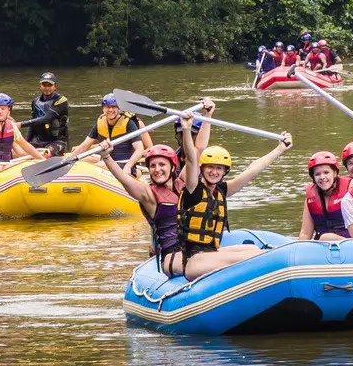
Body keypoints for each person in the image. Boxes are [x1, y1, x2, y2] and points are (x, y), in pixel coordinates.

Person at [176, 117, 293, 281]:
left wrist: (279, 149)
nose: (214, 172)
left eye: (219, 168)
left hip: (212, 254)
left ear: (225, 171)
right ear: (202, 169)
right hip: (195, 261)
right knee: (257, 258)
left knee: (253, 249)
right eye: (210, 167)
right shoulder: (193, 190)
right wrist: (187, 128)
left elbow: (252, 171)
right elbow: (191, 158)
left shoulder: (221, 191)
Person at [98, 141, 184, 272]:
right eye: (152, 166)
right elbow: (123, 178)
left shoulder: (184, 185)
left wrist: (202, 121)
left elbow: (196, 150)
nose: (157, 170)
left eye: (162, 165)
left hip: (193, 248)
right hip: (172, 255)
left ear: (172, 167)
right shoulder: (148, 194)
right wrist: (106, 156)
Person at [298, 150, 353, 241]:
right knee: (324, 238)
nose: (322, 177)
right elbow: (305, 233)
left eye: (326, 172)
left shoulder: (351, 187)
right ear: (313, 177)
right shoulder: (310, 198)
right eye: (317, 174)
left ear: (335, 173)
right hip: (323, 247)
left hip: (351, 243)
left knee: (326, 237)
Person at [71, 94, 153, 163]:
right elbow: (86, 145)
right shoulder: (100, 122)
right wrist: (72, 155)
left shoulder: (132, 123)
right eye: (107, 107)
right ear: (103, 109)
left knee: (98, 165)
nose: (110, 110)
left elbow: (144, 148)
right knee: (79, 160)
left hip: (122, 162)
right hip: (106, 159)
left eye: (113, 107)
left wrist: (133, 162)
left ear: (119, 108)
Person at [27, 73, 70, 150]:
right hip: (39, 141)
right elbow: (33, 125)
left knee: (46, 151)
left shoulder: (61, 100)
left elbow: (47, 118)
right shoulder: (35, 101)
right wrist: (26, 142)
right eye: (44, 85)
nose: (47, 88)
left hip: (58, 142)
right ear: (40, 86)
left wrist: (20, 124)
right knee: (18, 150)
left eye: (50, 85)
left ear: (55, 87)